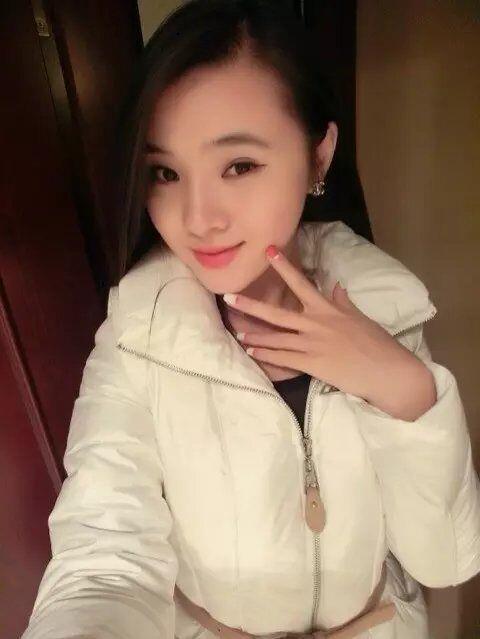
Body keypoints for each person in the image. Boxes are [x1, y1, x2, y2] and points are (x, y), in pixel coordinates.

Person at [22, 1, 480, 638]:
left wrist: (405, 390)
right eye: (165, 172)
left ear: (318, 156)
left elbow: (444, 560)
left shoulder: (385, 309)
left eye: (238, 166)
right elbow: (104, 558)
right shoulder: (137, 336)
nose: (197, 217)